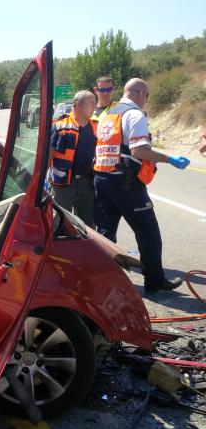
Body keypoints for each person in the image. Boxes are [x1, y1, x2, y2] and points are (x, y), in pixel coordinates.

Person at [93, 78, 191, 292]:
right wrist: (169, 159)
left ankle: (104, 284)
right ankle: (154, 281)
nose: (146, 100)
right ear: (139, 94)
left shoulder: (107, 115)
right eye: (147, 96)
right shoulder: (134, 115)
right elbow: (139, 151)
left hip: (102, 179)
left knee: (104, 234)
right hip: (125, 183)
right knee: (148, 231)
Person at [48, 90, 98, 227]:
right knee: (58, 223)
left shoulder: (96, 127)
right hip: (63, 185)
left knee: (88, 226)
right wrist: (39, 181)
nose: (95, 106)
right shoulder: (59, 125)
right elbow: (49, 154)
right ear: (77, 105)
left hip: (88, 184)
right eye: (91, 103)